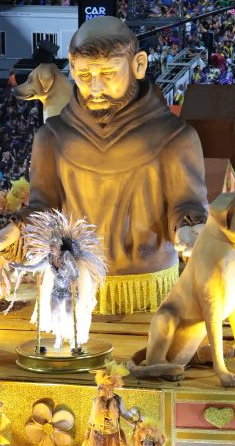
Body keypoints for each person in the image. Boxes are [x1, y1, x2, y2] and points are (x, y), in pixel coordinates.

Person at [27, 16, 208, 314]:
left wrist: (190, 227)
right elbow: (43, 208)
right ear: (71, 68)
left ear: (138, 65)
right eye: (85, 75)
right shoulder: (52, 137)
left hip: (151, 293)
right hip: (75, 292)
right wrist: (14, 231)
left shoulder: (175, 137)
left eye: (108, 72)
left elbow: (186, 202)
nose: (95, 86)